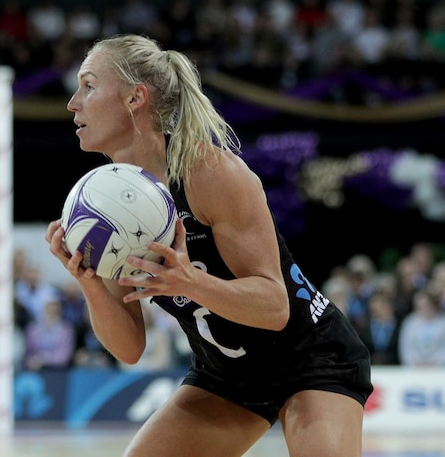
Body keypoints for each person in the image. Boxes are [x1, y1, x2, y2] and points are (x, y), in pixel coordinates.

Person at [45, 33, 373, 457]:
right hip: (227, 376)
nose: (73, 102)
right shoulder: (107, 202)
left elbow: (274, 307)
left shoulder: (209, 172)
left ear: (134, 98)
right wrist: (88, 279)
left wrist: (189, 283)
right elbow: (129, 349)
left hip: (311, 358)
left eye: (88, 86)